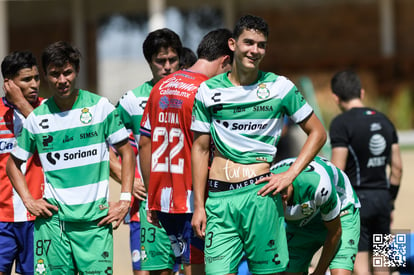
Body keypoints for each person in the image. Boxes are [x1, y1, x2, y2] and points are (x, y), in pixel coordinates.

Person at [190, 14, 327, 275]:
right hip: (219, 202)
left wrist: (290, 174)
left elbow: (318, 133)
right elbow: (200, 149)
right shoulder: (207, 91)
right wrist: (199, 205)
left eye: (261, 45)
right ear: (232, 44)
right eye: (249, 42)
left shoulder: (279, 87)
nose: (255, 50)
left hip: (261, 198)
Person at [6, 41, 135, 275]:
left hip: (95, 223)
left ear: (76, 71)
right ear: (45, 76)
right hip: (52, 224)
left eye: (67, 72)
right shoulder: (37, 119)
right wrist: (29, 201)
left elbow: (127, 152)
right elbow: (12, 164)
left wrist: (125, 199)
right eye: (54, 74)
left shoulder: (100, 107)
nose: (62, 80)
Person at [139, 28, 233, 275]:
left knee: (185, 266)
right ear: (225, 61)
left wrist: (152, 197)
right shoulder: (207, 91)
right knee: (198, 268)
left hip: (165, 200)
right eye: (230, 69)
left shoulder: (160, 87)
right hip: (195, 199)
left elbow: (144, 144)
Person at [114, 28, 182, 275]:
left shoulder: (192, 94)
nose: (167, 67)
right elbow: (104, 145)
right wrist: (127, 180)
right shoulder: (132, 100)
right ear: (149, 62)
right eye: (160, 61)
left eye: (172, 60)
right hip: (145, 208)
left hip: (184, 202)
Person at [329, 70, 403, 275]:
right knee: (382, 262)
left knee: (360, 267)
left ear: (336, 97)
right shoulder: (385, 120)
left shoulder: (340, 124)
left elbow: (337, 170)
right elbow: (397, 168)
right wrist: (390, 201)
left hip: (357, 205)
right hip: (382, 201)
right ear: (361, 93)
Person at [271, 156, 360, 275]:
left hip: (341, 212)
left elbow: (335, 232)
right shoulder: (260, 192)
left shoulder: (318, 185)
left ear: (284, 198)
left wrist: (319, 271)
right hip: (303, 222)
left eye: (277, 213)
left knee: (340, 273)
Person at [0, 51, 44, 275]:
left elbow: (51, 141)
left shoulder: (48, 110)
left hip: (39, 219)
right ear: (8, 82)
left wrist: (22, 105)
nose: (35, 84)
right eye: (27, 79)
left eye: (36, 78)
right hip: (2, 219)